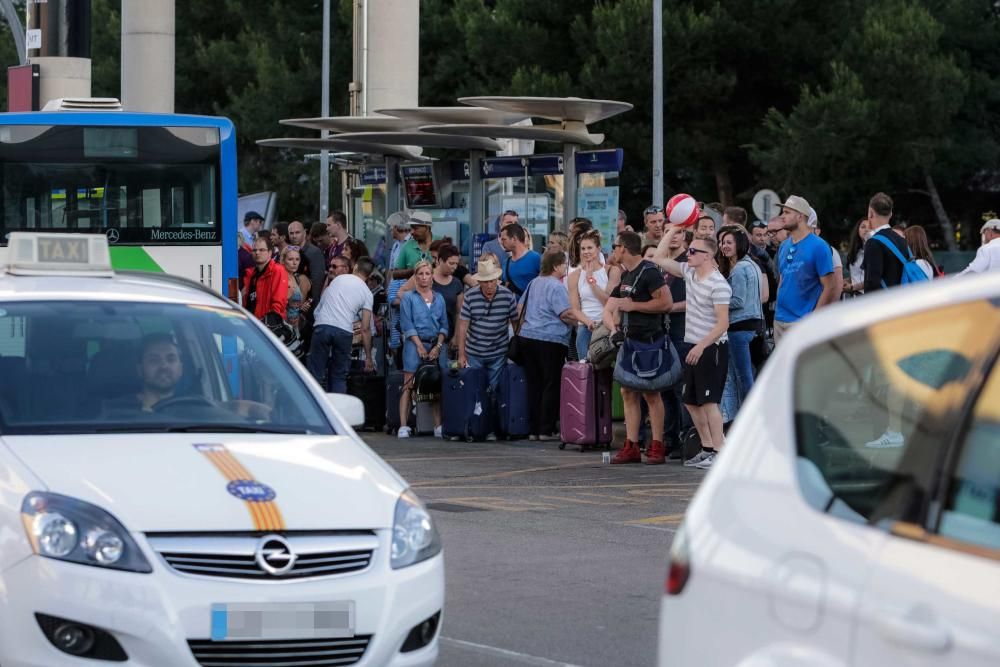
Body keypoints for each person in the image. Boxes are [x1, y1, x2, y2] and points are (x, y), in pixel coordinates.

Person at [653, 227, 731, 470]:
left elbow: (723, 323)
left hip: (711, 346)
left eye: (694, 250)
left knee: (710, 402)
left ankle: (720, 451)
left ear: (708, 255)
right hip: (693, 344)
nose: (689, 253)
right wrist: (675, 228)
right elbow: (658, 258)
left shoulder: (718, 284)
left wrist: (701, 346)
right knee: (690, 400)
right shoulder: (690, 272)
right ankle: (707, 447)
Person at [603, 231, 673, 464]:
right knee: (627, 391)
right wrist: (613, 329)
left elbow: (666, 302)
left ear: (623, 247)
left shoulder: (649, 271)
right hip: (630, 339)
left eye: (615, 246)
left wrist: (634, 306)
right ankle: (632, 445)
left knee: (651, 393)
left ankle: (656, 445)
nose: (613, 250)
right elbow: (610, 305)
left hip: (649, 339)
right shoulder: (627, 274)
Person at [518, 251, 575, 441]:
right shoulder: (556, 286)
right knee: (551, 384)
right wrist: (583, 320)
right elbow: (564, 313)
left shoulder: (534, 282)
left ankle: (533, 428)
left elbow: (520, 309)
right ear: (557, 266)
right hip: (551, 339)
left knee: (534, 384)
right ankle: (546, 428)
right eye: (564, 264)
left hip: (528, 337)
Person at [772, 196, 837, 344]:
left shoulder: (819, 246)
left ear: (800, 216)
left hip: (802, 321)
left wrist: (813, 319)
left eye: (787, 212)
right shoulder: (784, 246)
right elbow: (783, 279)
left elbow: (830, 285)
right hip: (780, 319)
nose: (782, 216)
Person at [717, 228, 764, 426]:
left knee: (742, 377)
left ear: (739, 244)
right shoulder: (752, 265)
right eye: (722, 242)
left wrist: (717, 305)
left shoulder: (738, 270)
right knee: (750, 375)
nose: (724, 246)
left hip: (739, 328)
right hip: (755, 325)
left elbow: (737, 300)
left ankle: (750, 421)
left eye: (729, 242)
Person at [307, 257, 375, 393]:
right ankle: (338, 411)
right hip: (344, 331)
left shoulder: (338, 280)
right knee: (339, 377)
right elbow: (366, 328)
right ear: (369, 275)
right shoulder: (368, 294)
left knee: (316, 376)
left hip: (323, 326)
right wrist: (368, 357)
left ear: (355, 267)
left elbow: (318, 309)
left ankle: (316, 410)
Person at [398, 260, 449, 439]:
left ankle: (438, 425)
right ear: (415, 276)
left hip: (436, 342)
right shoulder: (409, 298)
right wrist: (419, 345)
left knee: (436, 382)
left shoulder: (439, 298)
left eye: (427, 273)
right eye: (420, 274)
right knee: (408, 382)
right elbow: (406, 323)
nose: (424, 277)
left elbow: (444, 325)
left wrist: (438, 346)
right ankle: (403, 425)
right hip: (414, 342)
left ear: (432, 277)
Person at [457, 257, 519, 399]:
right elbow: (463, 326)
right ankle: (478, 419)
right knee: (475, 391)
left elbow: (515, 323)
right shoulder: (470, 296)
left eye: (492, 281)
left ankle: (494, 419)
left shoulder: (507, 295)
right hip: (474, 351)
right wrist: (461, 354)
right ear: (479, 282)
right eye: (486, 282)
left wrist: (518, 349)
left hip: (498, 352)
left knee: (495, 391)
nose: (490, 285)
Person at [105, 333, 184, 413]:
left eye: (171, 359)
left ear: (181, 369)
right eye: (154, 360)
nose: (164, 366)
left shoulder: (191, 408)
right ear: (140, 370)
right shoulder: (116, 411)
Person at [567, 229, 609, 360]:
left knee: (604, 373)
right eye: (583, 248)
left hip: (606, 326)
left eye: (589, 247)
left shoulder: (609, 271)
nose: (586, 252)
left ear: (598, 249)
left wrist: (591, 281)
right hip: (585, 327)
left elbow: (609, 302)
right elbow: (575, 308)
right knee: (584, 372)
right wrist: (588, 322)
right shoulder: (574, 276)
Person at [862, 192, 909, 293]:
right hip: (902, 301)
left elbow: (872, 283)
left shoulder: (873, 242)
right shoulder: (902, 240)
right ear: (891, 213)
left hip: (883, 304)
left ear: (870, 213)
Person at [242, 235, 289, 321]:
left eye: (262, 250)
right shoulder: (252, 274)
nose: (257, 253)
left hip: (268, 326)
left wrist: (269, 322)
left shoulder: (277, 270)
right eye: (254, 250)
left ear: (270, 253)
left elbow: (279, 303)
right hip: (252, 324)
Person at [808, 208, 844, 302]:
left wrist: (831, 307)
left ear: (818, 231)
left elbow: (838, 283)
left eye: (811, 228)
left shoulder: (829, 250)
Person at [500, 223, 541, 297]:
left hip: (529, 306)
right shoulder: (506, 262)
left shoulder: (535, 258)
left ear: (514, 239)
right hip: (509, 307)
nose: (501, 242)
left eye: (504, 239)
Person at [394, 211, 435, 280]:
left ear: (427, 228)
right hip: (412, 289)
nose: (411, 232)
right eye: (411, 228)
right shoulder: (407, 246)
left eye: (415, 228)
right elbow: (395, 274)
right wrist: (415, 270)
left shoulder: (440, 243)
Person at [281, 246, 309, 330]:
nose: (294, 263)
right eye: (290, 259)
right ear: (283, 261)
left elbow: (293, 304)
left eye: (297, 259)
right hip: (283, 326)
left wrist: (301, 306)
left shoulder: (296, 277)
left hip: (295, 325)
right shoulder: (281, 278)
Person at [844, 218, 871, 295]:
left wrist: (853, 287)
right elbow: (857, 275)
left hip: (869, 297)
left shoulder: (875, 250)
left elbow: (873, 279)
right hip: (855, 297)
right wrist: (844, 282)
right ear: (857, 230)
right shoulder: (856, 252)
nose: (866, 230)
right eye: (863, 227)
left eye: (870, 227)